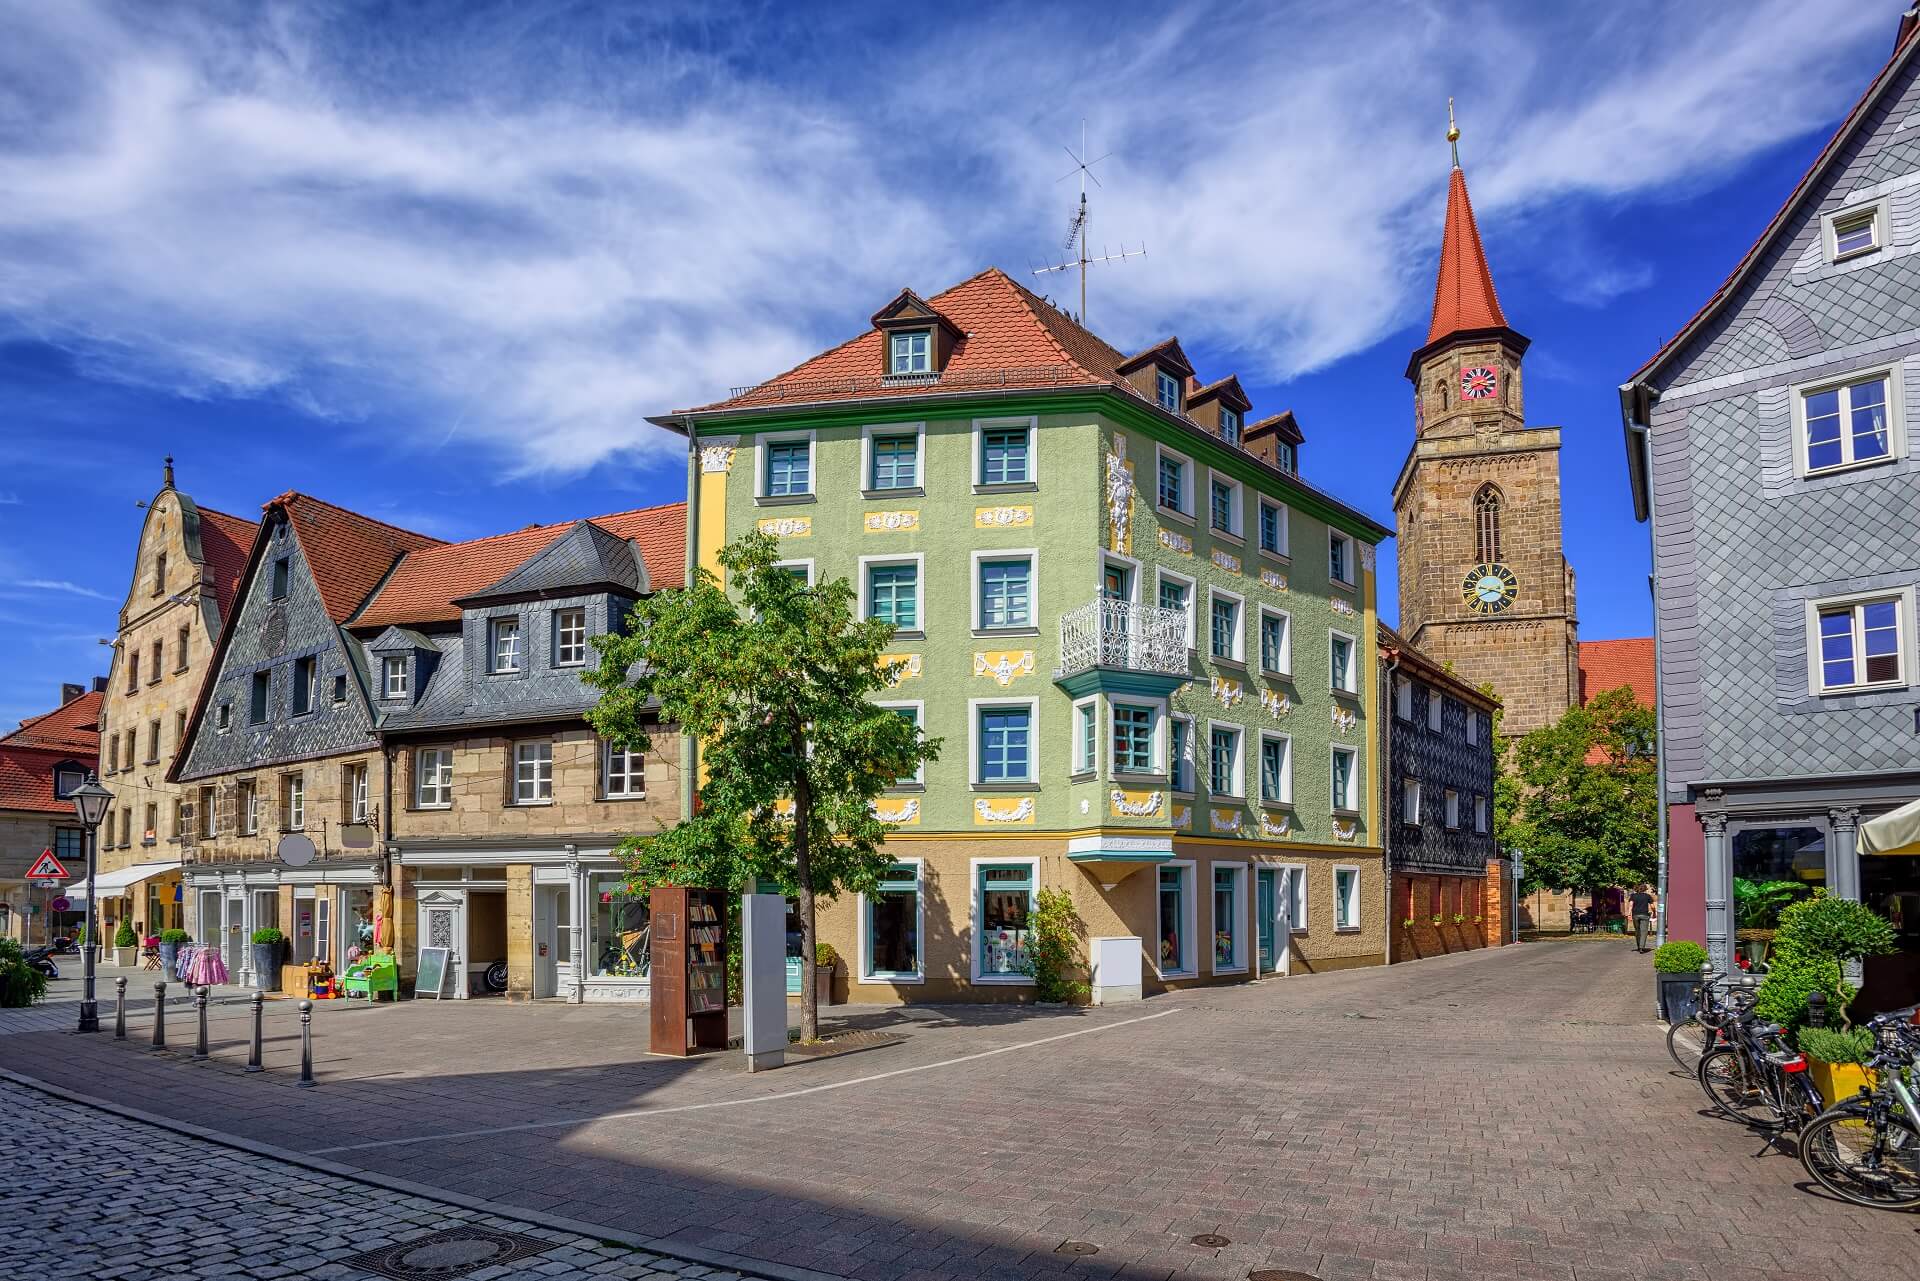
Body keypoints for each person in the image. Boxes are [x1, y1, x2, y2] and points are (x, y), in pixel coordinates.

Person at [1629, 883, 1656, 953]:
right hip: (1644, 915)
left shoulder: (1633, 896)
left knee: (1637, 931)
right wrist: (1654, 913)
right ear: (1645, 889)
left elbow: (1631, 905)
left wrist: (1629, 914)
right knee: (1643, 932)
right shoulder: (1647, 896)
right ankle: (1641, 947)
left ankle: (1638, 946)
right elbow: (1652, 906)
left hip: (1635, 915)